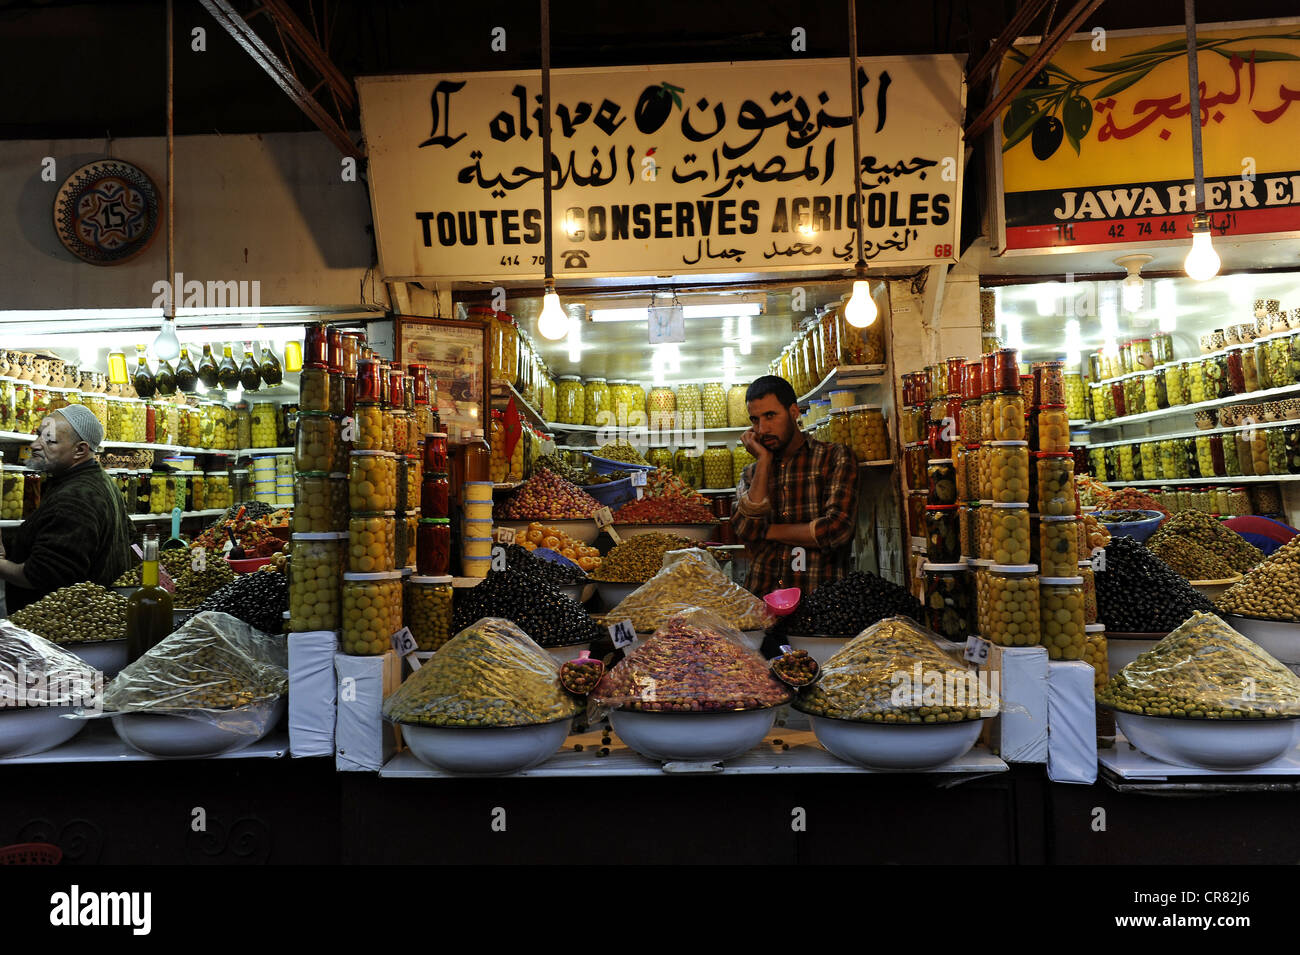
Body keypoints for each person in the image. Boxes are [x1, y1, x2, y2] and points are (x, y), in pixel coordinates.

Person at [731, 375, 858, 598]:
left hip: (820, 602)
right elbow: (744, 530)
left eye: (770, 416)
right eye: (755, 420)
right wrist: (763, 462)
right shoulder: (753, 473)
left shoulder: (834, 457)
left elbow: (836, 530)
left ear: (793, 412)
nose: (762, 429)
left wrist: (767, 532)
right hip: (762, 602)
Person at [0, 405, 133, 614]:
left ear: (80, 450)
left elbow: (41, 576)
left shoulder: (74, 498)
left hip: (63, 630)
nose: (35, 445)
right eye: (38, 436)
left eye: (49, 440)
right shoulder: (100, 481)